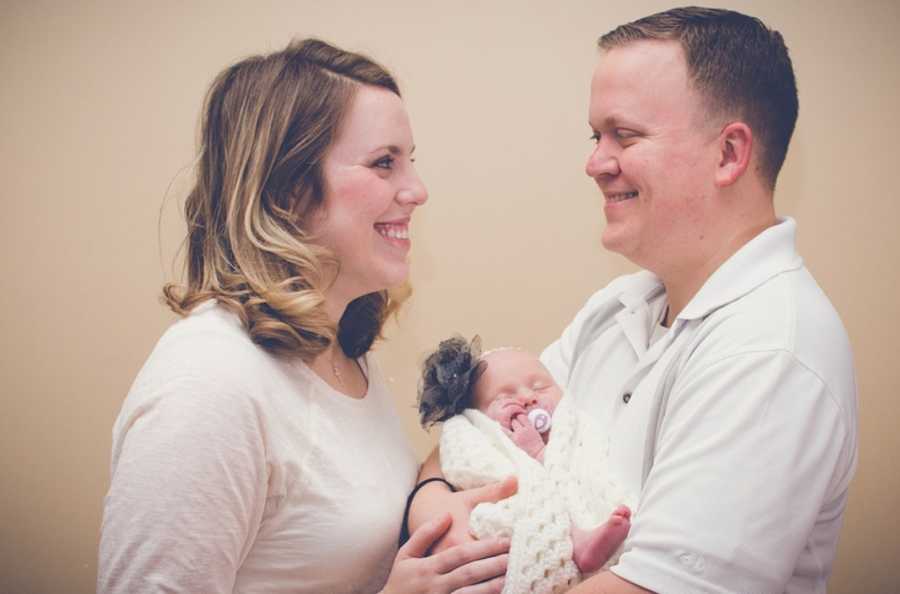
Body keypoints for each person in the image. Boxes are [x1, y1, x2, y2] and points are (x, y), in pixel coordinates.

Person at [408, 7, 857, 594]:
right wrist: (436, 505)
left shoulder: (772, 351)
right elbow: (470, 435)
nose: (595, 163)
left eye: (625, 134)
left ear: (729, 154)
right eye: (597, 136)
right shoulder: (620, 306)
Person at [97, 39, 510, 594]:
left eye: (410, 160)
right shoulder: (208, 385)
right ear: (289, 189)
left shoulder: (344, 351)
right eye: (384, 162)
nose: (417, 190)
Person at [416, 335, 632, 590]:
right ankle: (575, 543)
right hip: (510, 500)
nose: (528, 398)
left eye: (540, 387)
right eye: (504, 397)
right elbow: (514, 469)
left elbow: (571, 462)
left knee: (577, 489)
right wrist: (532, 448)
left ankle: (582, 539)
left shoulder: (572, 428)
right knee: (535, 501)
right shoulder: (484, 436)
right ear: (477, 415)